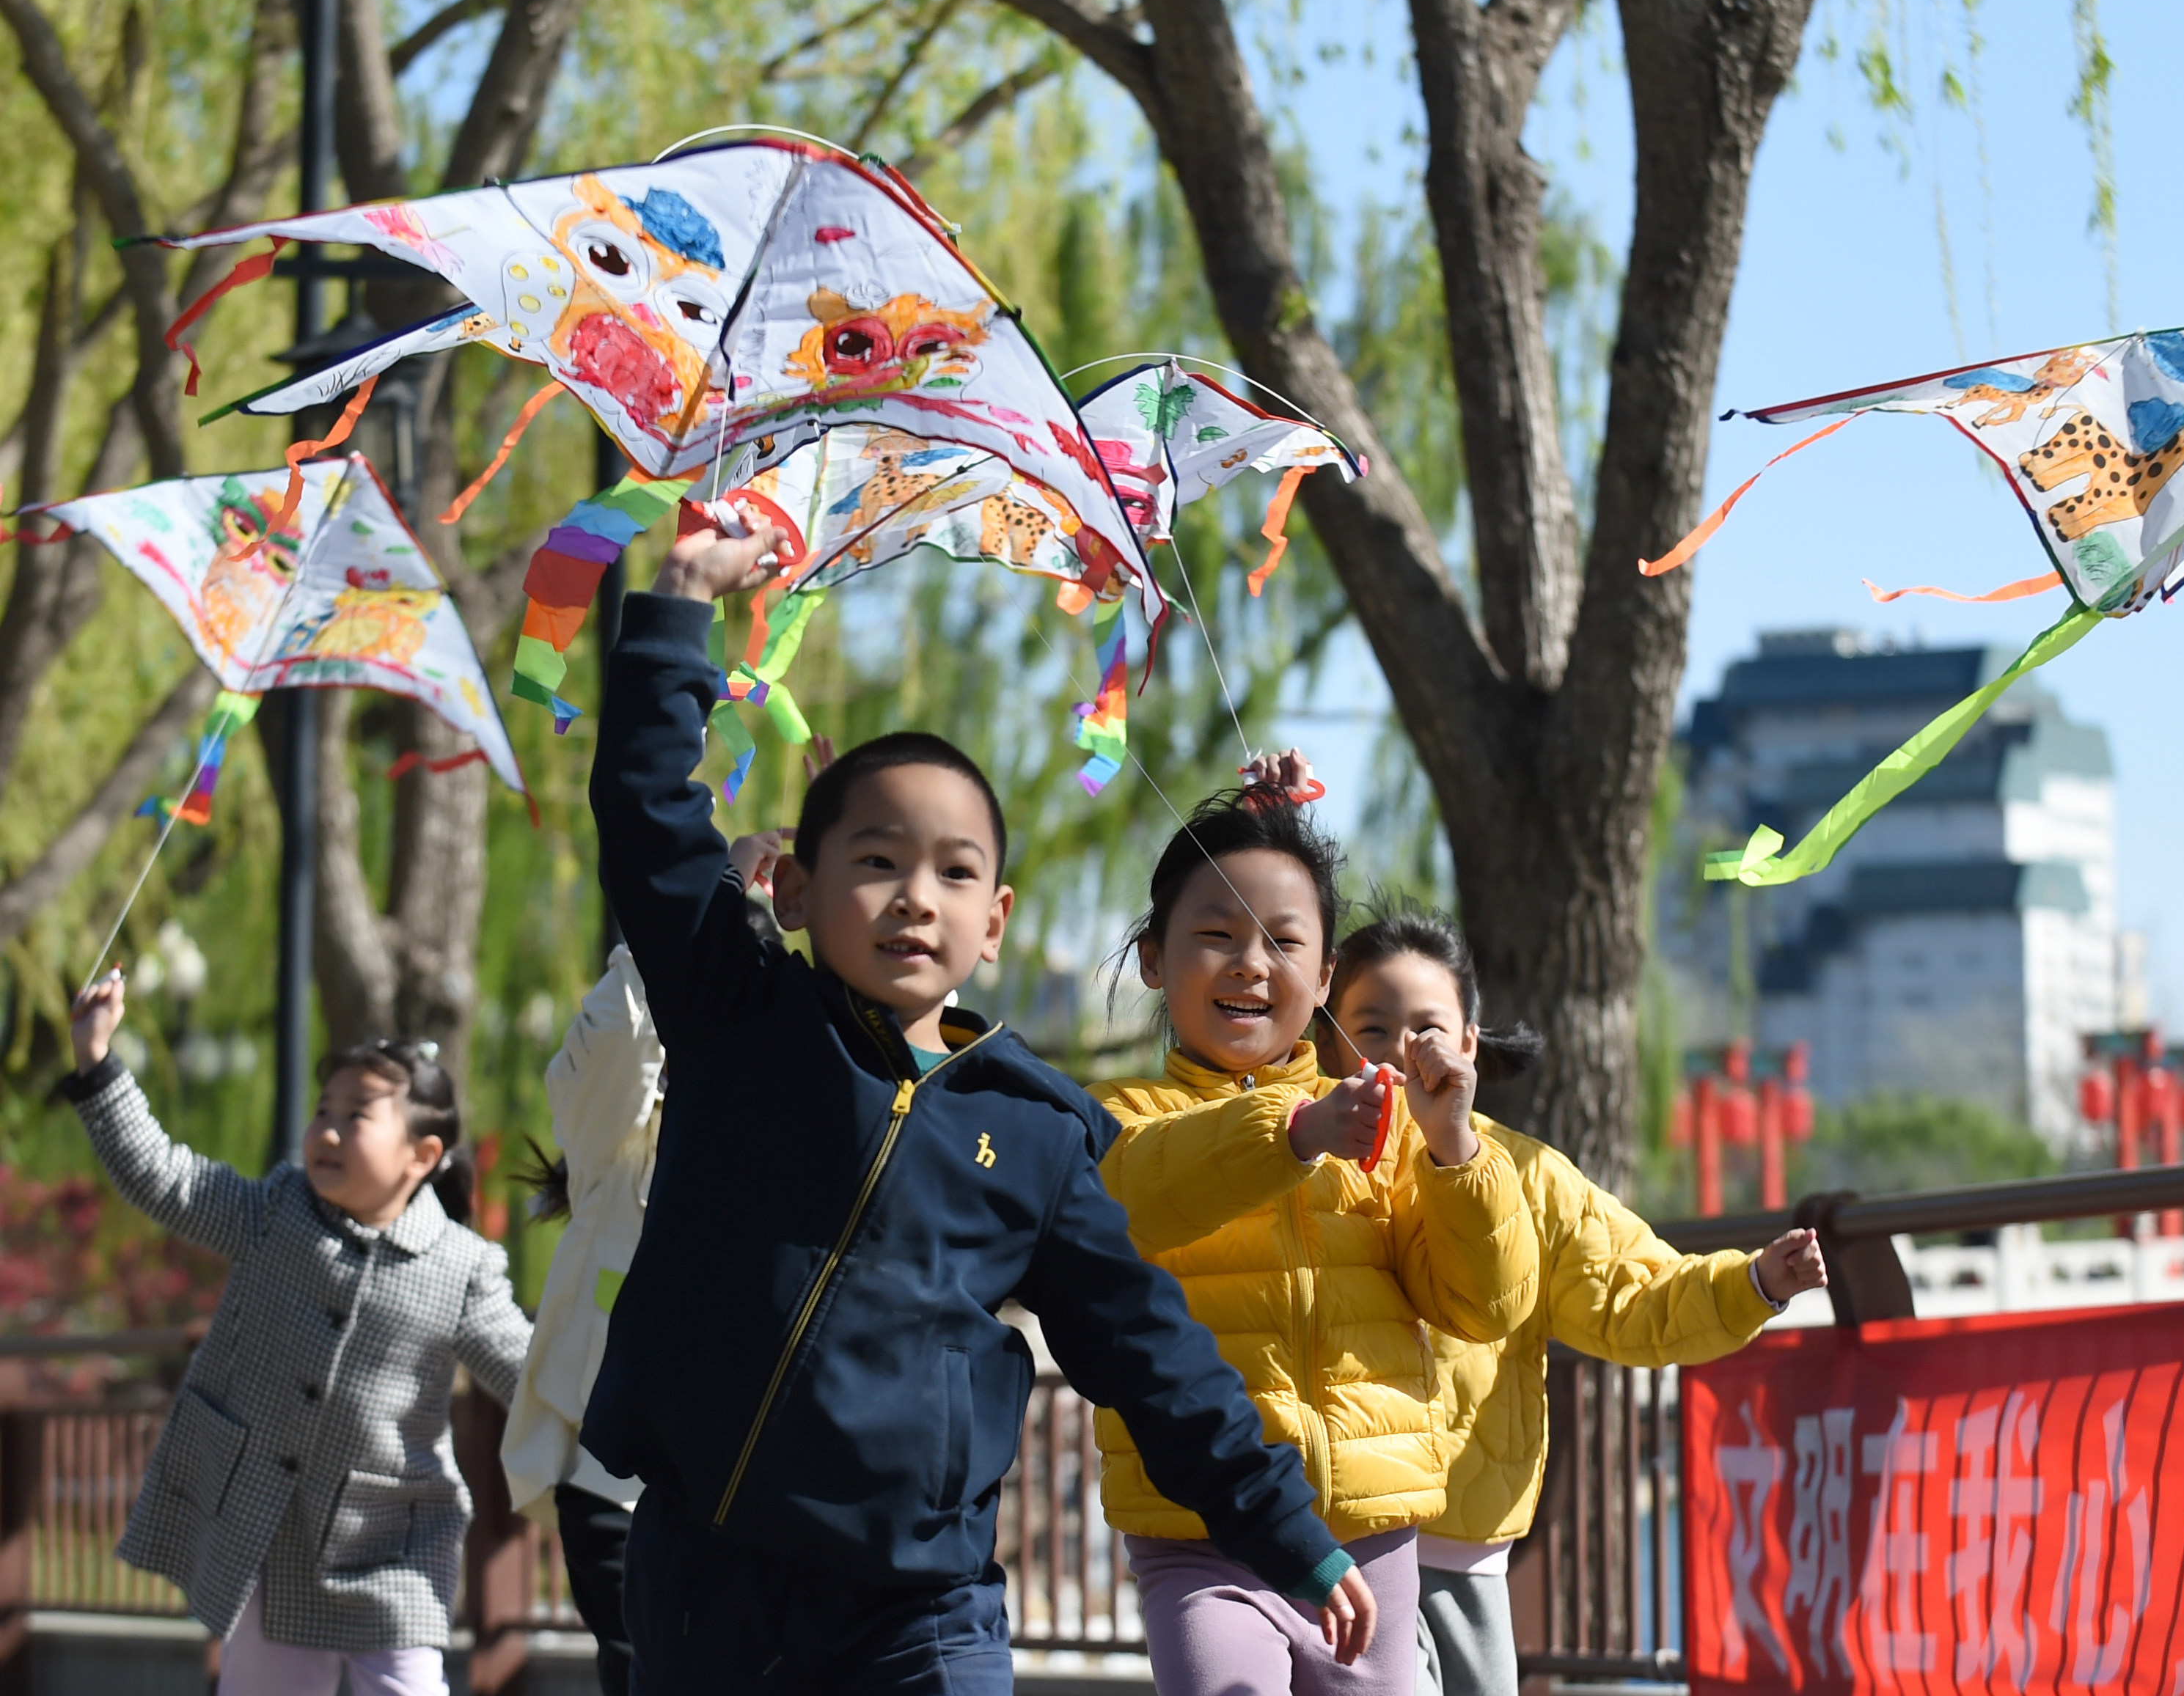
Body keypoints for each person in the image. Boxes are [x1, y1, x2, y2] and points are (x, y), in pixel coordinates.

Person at [581, 521, 1374, 1695]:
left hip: (923, 1602)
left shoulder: (1041, 1129)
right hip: (709, 1576)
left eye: (954, 871)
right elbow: (650, 815)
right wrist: (681, 602)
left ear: (994, 920)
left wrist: (1284, 1530)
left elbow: (1149, 1350)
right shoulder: (737, 1017)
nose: (914, 898)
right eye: (875, 861)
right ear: (794, 888)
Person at [1091, 758, 1540, 1696]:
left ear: (1327, 973)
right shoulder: (1120, 1116)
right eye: (1213, 935)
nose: (1252, 964)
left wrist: (1454, 1146)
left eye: (1283, 942)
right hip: (1201, 1529)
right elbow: (1142, 1191)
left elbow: (1482, 1302)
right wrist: (1291, 1133)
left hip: (1371, 1532)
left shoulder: (1378, 1124)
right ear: (1150, 958)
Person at [1319, 903, 1829, 1696]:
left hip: (1465, 1547)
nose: (1398, 1052)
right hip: (1335, 1544)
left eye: (1425, 1029)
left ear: (1468, 1045)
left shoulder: (1528, 1178)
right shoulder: (1298, 1159)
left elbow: (1635, 1295)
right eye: (1371, 1028)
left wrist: (1751, 1282)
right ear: (1324, 1037)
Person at [63, 978, 529, 1696]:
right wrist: (98, 1062)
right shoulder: (274, 1212)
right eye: (323, 1111)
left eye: (357, 1115)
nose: (329, 1130)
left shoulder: (461, 1268)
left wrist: (628, 1414)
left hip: (394, 1549)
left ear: (422, 1154)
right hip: (270, 1535)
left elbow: (528, 1372)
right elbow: (165, 1179)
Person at [501, 832, 789, 1696]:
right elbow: (613, 1053)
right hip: (615, 1473)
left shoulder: (795, 1138)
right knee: (640, 1670)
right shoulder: (618, 1146)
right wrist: (700, 908)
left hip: (754, 1478)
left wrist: (865, 876)